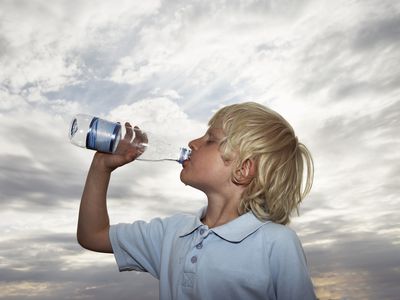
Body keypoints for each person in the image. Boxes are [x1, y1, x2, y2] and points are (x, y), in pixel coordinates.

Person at [77, 102, 316, 300]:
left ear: (243, 169)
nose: (193, 142)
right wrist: (101, 167)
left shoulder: (276, 243)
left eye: (210, 139)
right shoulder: (173, 233)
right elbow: (93, 235)